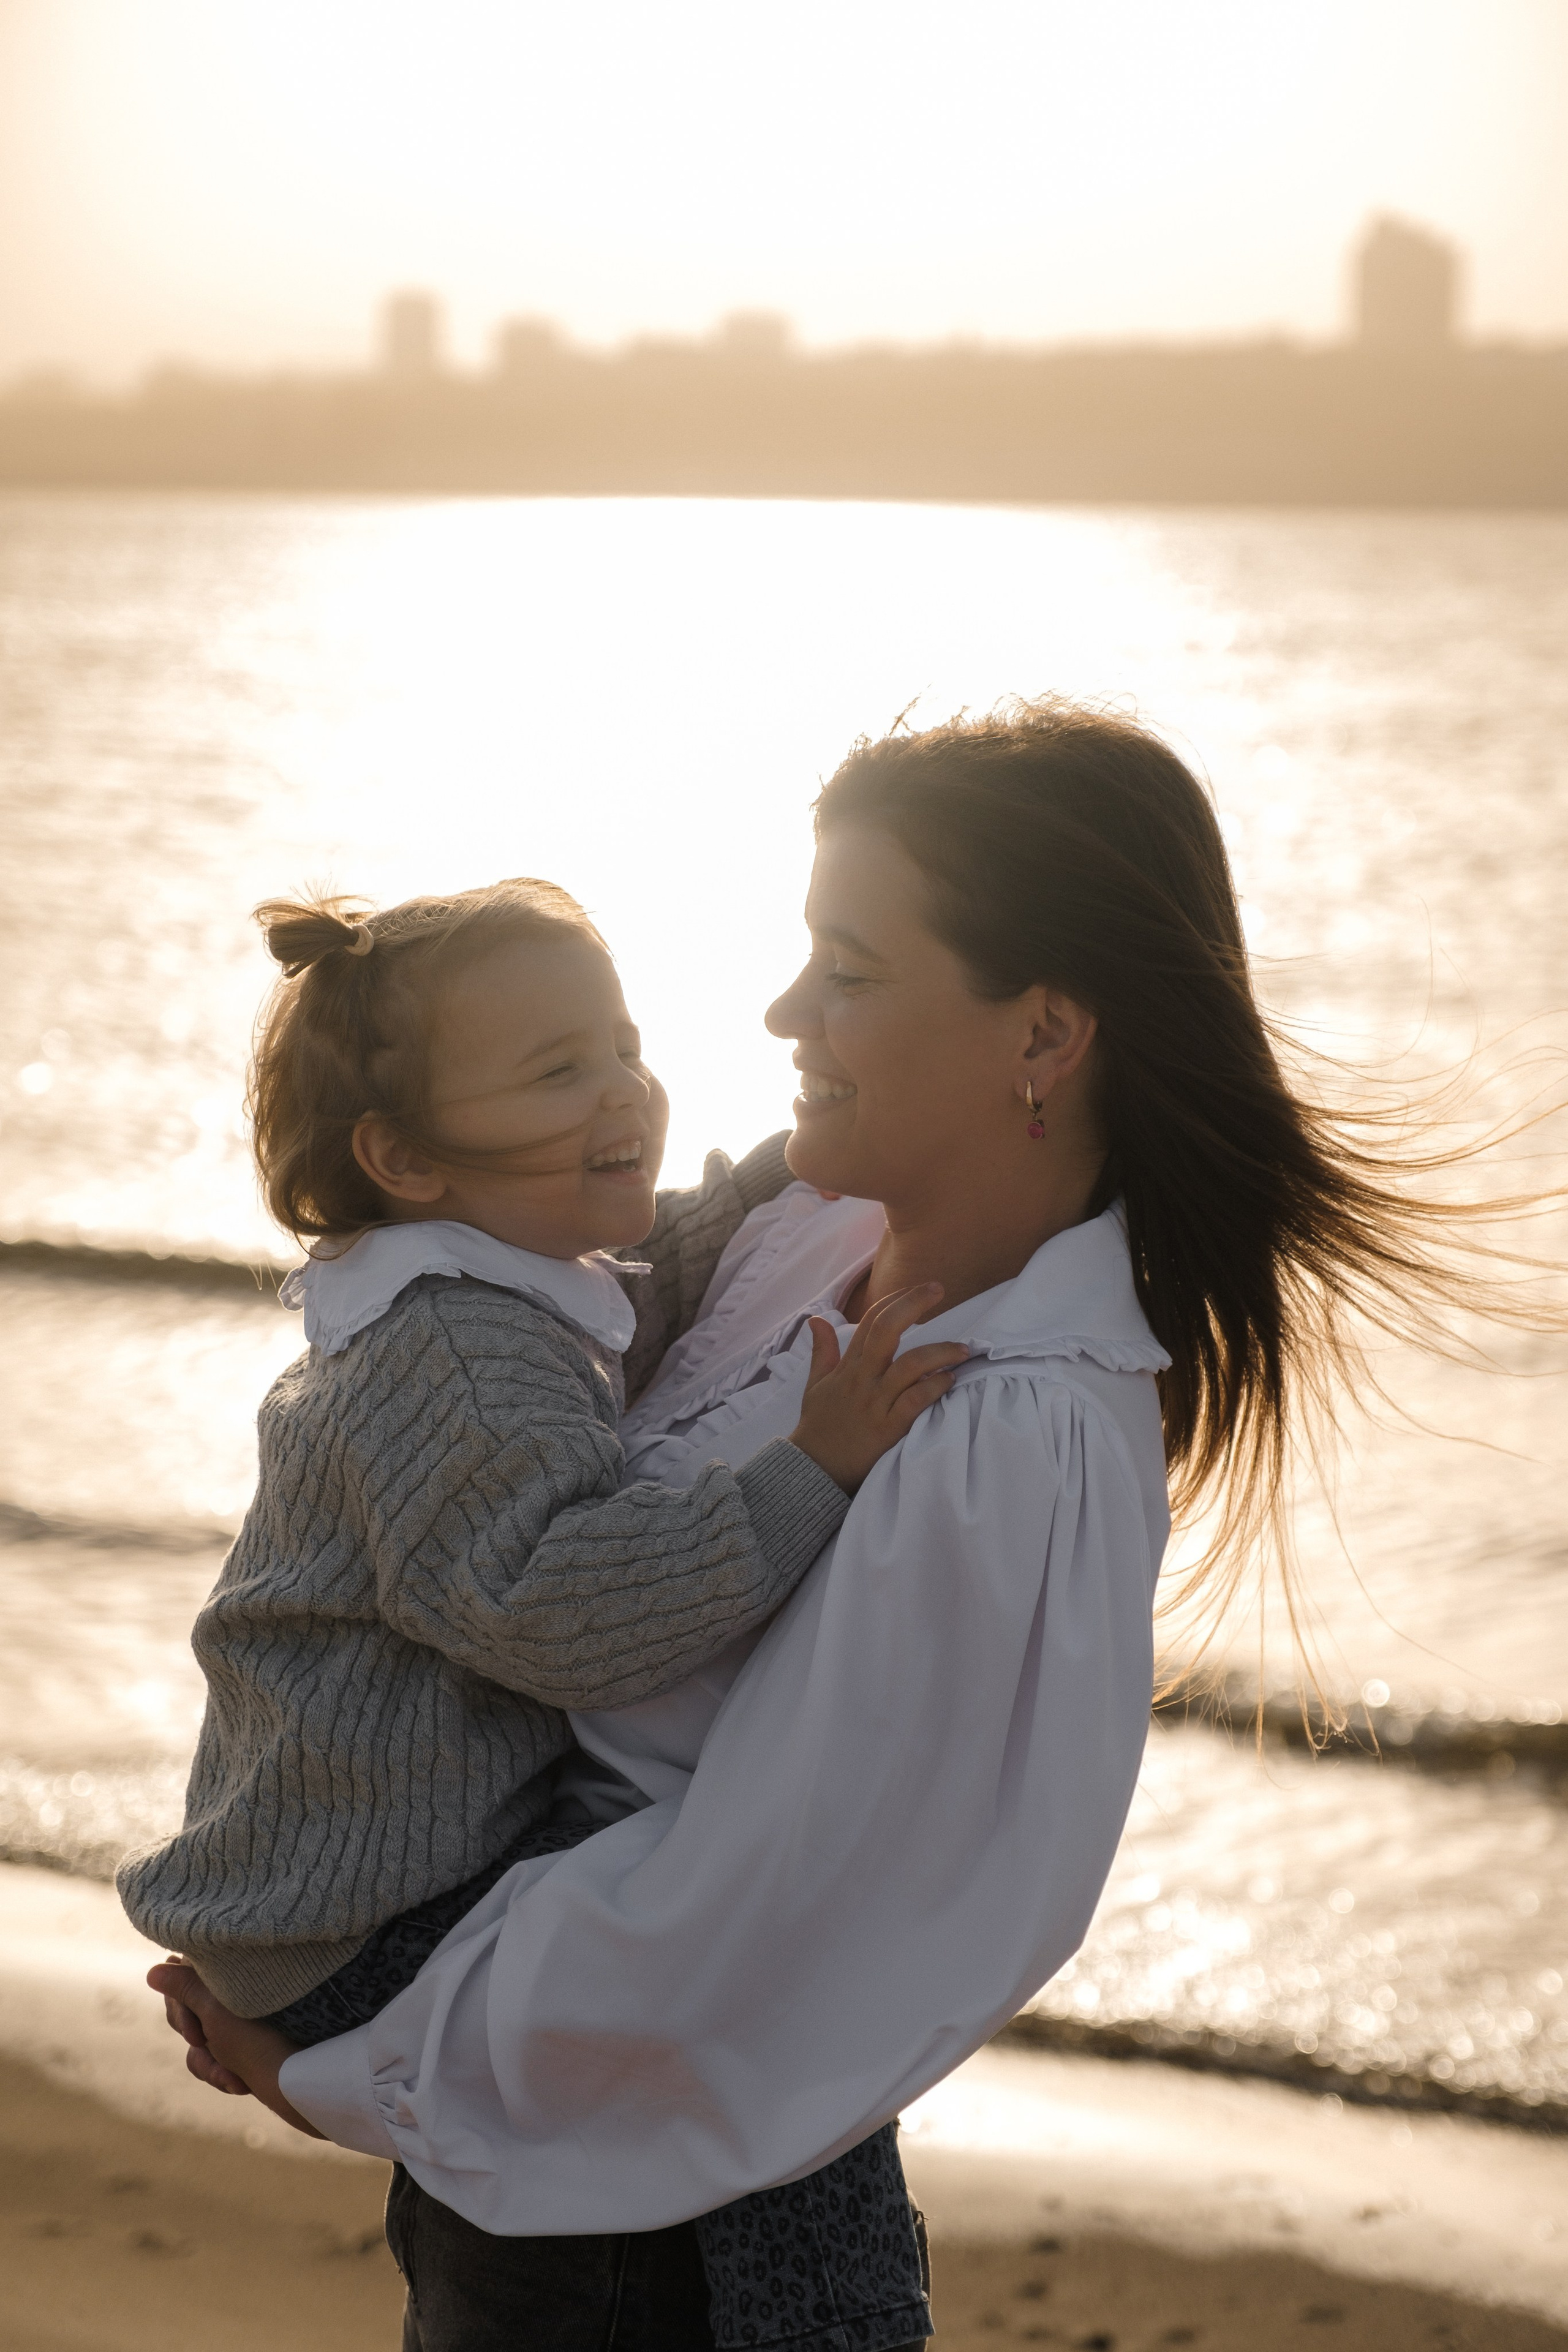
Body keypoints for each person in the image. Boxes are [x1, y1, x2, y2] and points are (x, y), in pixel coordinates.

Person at [156, 701, 1535, 2349]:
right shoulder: (802, 1236)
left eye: (850, 971)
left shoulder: (1016, 1436)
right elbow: (498, 1387)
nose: (782, 1010)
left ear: (1043, 1035)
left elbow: (759, 1944)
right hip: (519, 2172)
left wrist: (343, 2064)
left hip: (664, 2243)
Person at [127, 875, 963, 2352]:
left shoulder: (488, 1278)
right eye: (559, 1070)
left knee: (728, 1941)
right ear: (404, 1156)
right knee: (736, 1967)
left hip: (363, 1878)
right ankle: (828, 2319)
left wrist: (783, 1174)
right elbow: (561, 1612)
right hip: (364, 1914)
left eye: (623, 1044)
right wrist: (810, 1471)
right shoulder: (454, 1356)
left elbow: (652, 1280)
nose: (622, 1088)